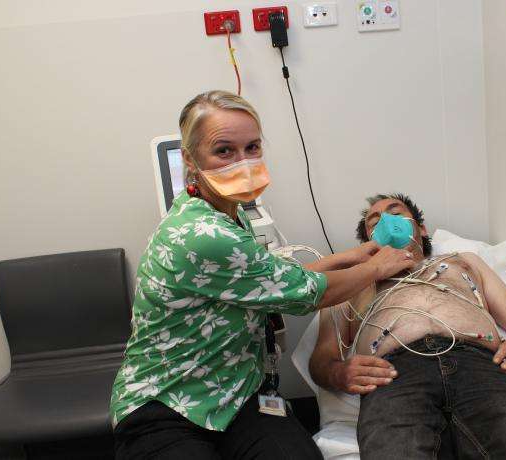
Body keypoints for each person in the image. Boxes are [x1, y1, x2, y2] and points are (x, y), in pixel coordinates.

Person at [110, 91, 415, 460]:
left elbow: (270, 280)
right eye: (224, 151)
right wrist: (376, 267)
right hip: (169, 402)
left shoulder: (226, 214)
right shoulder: (205, 234)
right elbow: (309, 295)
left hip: (237, 393)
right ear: (190, 160)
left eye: (252, 147)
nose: (243, 161)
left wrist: (350, 257)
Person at [310, 193, 506, 459]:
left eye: (396, 213)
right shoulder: (348, 282)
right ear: (369, 240)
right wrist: (338, 373)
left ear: (421, 228)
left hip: (482, 366)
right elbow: (322, 359)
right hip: (392, 375)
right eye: (375, 221)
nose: (386, 221)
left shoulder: (463, 262)